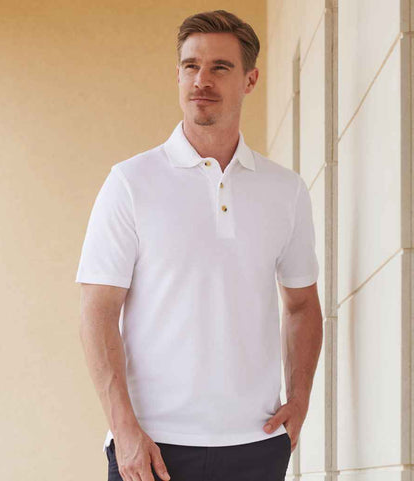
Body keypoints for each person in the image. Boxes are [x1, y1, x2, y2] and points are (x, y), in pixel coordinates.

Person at [75, 9, 323, 481]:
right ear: (178, 74)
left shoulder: (285, 190)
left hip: (256, 445)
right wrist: (123, 429)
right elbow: (97, 310)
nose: (201, 80)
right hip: (152, 448)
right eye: (191, 66)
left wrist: (300, 399)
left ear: (250, 80)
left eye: (220, 67)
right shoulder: (130, 183)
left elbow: (302, 305)